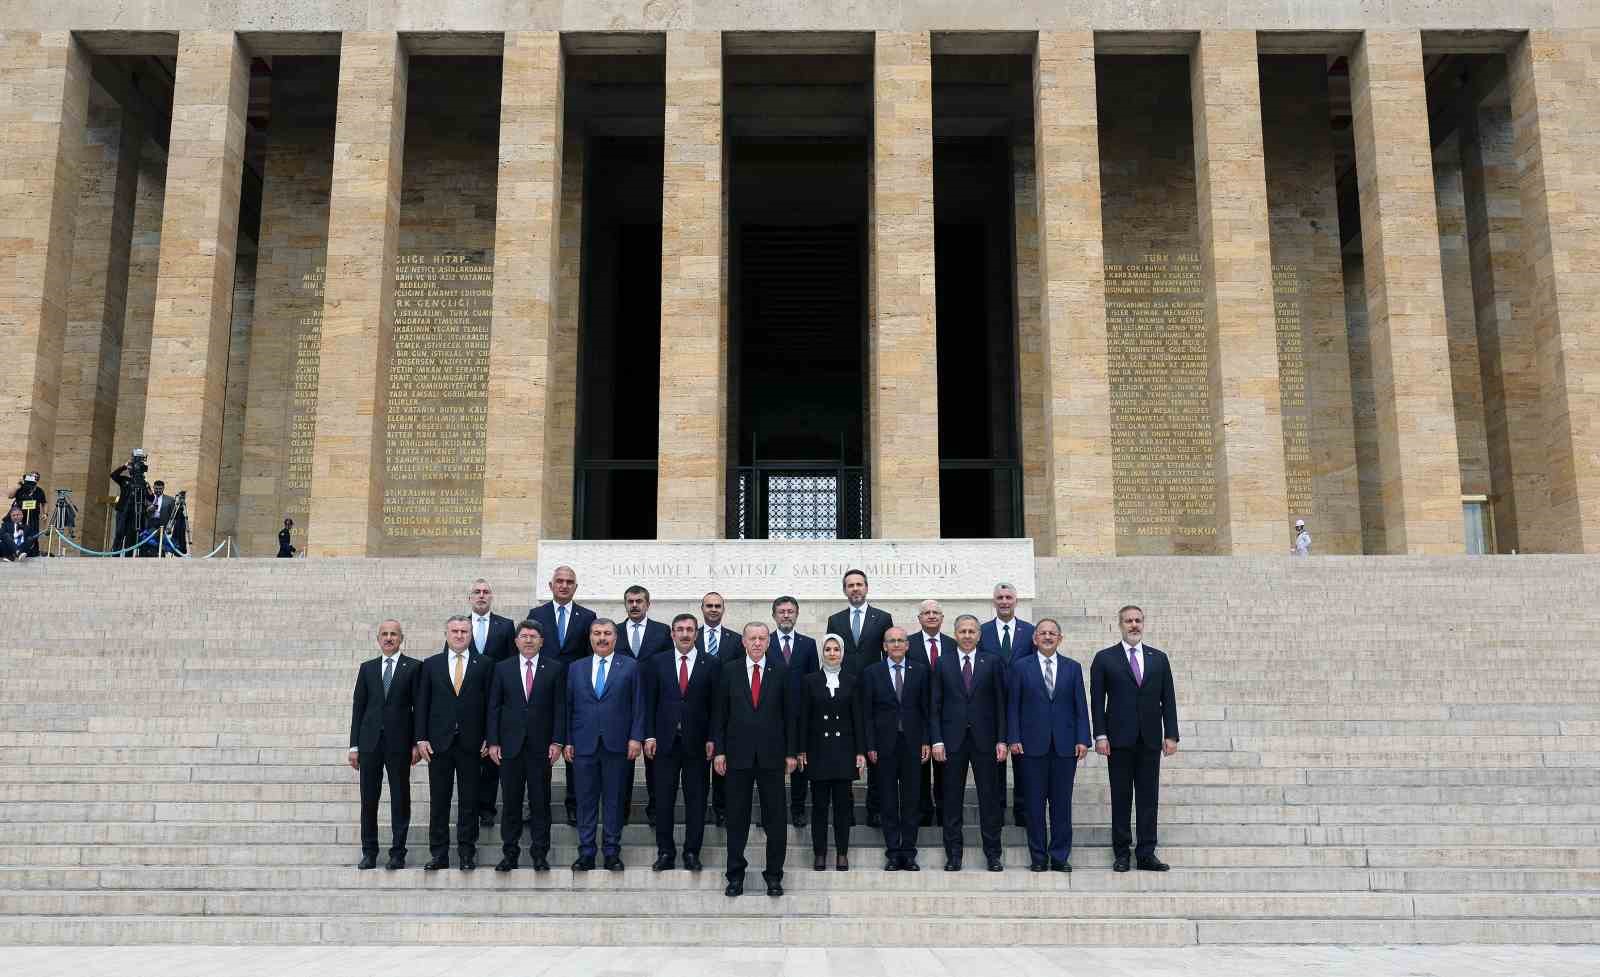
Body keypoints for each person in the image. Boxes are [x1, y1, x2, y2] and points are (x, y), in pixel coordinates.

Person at [1091, 604, 1180, 873]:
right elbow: (1097, 702)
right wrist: (1100, 735)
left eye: (1138, 620)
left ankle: (1146, 853)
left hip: (1150, 740)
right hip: (1118, 741)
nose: (1133, 625)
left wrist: (1172, 734)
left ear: (1144, 623)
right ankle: (1121, 853)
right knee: (1120, 798)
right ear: (1119, 625)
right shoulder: (1105, 658)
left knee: (1148, 798)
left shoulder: (1158, 658)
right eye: (1128, 621)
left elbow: (1169, 699)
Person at [712, 622, 797, 898]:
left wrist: (791, 753)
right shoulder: (729, 670)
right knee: (737, 819)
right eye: (753, 638)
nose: (757, 643)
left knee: (775, 819)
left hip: (772, 757)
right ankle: (735, 875)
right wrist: (720, 751)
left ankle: (774, 875)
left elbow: (790, 717)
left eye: (762, 638)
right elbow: (719, 715)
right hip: (737, 757)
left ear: (769, 642)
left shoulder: (782, 671)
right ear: (744, 642)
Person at [1009, 618, 1090, 872]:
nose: (1047, 637)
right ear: (1034, 639)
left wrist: (1083, 739)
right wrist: (1013, 737)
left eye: (1052, 633)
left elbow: (1080, 706)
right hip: (1031, 746)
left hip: (1065, 747)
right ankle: (1038, 857)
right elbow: (1013, 705)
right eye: (1042, 633)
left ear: (1060, 638)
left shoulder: (1073, 667)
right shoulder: (1021, 667)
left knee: (1061, 805)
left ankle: (1059, 856)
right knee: (1034, 805)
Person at [563, 618, 643, 872]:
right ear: (590, 637)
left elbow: (638, 705)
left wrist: (636, 737)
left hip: (617, 745)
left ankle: (611, 852)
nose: (602, 638)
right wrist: (567, 740)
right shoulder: (576, 668)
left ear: (615, 638)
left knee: (614, 801)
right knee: (585, 802)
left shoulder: (630, 666)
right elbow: (567, 707)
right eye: (597, 633)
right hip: (583, 744)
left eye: (607, 633)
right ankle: (586, 852)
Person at [930, 614, 1008, 872]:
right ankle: (953, 855)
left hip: (985, 740)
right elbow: (935, 705)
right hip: (952, 742)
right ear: (955, 633)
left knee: (989, 798)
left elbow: (1000, 703)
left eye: (971, 631)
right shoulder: (943, 663)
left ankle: (993, 854)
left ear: (979, 635)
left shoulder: (992, 662)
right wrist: (937, 740)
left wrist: (1001, 739)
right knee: (951, 800)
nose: (966, 635)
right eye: (962, 631)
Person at [414, 616, 492, 871]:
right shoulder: (431, 665)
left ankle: (467, 853)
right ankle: (439, 854)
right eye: (455, 631)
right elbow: (422, 704)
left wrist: (490, 737)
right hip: (439, 744)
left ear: (471, 634)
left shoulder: (485, 665)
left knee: (469, 801)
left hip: (472, 744)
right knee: (439, 801)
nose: (460, 635)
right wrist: (421, 738)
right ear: (446, 633)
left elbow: (492, 705)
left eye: (464, 631)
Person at [486, 621, 565, 873]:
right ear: (516, 641)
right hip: (510, 747)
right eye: (524, 636)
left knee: (540, 803)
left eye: (533, 636)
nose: (528, 640)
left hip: (541, 748)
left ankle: (540, 854)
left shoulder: (554, 668)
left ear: (542, 641)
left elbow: (560, 708)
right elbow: (494, 707)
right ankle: (509, 853)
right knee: (510, 803)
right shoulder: (502, 668)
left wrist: (557, 741)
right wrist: (494, 741)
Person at [642, 613, 717, 872]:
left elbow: (717, 707)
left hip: (698, 744)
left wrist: (713, 738)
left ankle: (692, 852)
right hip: (664, 743)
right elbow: (648, 702)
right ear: (672, 634)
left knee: (696, 801)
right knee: (663, 800)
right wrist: (649, 735)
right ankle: (665, 852)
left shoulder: (711, 663)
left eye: (689, 630)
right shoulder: (657, 662)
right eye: (680, 630)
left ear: (697, 634)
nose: (685, 634)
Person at [348, 620, 419, 870]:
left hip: (399, 744)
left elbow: (418, 709)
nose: (389, 638)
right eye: (385, 634)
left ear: (401, 638)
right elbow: (359, 707)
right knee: (369, 800)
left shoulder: (414, 667)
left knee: (401, 798)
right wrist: (353, 745)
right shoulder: (367, 668)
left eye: (394, 634)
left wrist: (416, 743)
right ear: (378, 639)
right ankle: (369, 851)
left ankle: (397, 853)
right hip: (369, 744)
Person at [860, 627, 933, 871]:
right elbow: (867, 714)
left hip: (913, 744)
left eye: (901, 640)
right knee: (888, 801)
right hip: (883, 746)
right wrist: (870, 745)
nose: (897, 644)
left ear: (908, 645)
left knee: (912, 800)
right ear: (884, 646)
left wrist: (926, 740)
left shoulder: (921, 671)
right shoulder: (872, 672)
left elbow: (927, 710)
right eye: (891, 641)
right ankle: (893, 852)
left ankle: (909, 853)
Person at [528, 564, 596, 825]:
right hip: (543, 692)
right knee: (537, 752)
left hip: (575, 692)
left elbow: (590, 656)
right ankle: (535, 804)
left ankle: (573, 803)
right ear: (551, 586)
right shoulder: (537, 614)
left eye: (569, 582)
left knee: (573, 750)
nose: (564, 585)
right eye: (560, 581)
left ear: (575, 587)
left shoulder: (588, 616)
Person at [826, 569, 893, 824]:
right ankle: (847, 809)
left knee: (874, 750)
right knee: (846, 749)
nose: (855, 589)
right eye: (850, 585)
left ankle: (875, 809)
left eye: (859, 584)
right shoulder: (836, 620)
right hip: (845, 692)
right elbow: (832, 653)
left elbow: (888, 654)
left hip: (874, 692)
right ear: (844, 590)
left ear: (867, 588)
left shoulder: (883, 618)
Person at [795, 633, 864, 872]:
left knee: (843, 807)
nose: (832, 653)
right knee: (820, 806)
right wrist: (801, 749)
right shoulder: (809, 681)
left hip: (844, 752)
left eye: (836, 649)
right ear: (822, 653)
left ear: (842, 653)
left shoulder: (852, 681)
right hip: (818, 752)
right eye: (828, 649)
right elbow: (803, 717)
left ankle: (842, 853)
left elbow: (858, 719)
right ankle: (820, 853)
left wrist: (860, 752)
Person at [979, 581, 1035, 826]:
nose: (1004, 601)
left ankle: (1022, 813)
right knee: (995, 764)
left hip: (1024, 708)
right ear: (994, 601)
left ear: (1016, 601)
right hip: (991, 709)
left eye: (1008, 597)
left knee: (1024, 765)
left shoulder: (1030, 631)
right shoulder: (982, 632)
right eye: (1000, 597)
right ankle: (998, 812)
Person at [621, 584, 672, 828]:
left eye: (639, 601)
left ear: (648, 604)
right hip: (622, 707)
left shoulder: (662, 632)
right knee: (623, 763)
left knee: (655, 763)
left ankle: (655, 807)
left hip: (654, 705)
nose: (634, 605)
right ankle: (623, 809)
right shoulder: (614, 631)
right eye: (630, 601)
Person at [468, 578, 517, 825]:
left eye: (486, 592)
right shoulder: (459, 625)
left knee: (492, 755)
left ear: (492, 597)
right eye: (477, 592)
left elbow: (512, 662)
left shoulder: (506, 626)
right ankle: (470, 806)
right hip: (466, 700)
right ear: (470, 597)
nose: (481, 596)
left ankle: (487, 807)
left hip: (496, 698)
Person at [770, 595, 818, 827]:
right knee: (770, 763)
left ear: (797, 615)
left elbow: (812, 681)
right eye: (782, 611)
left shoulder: (808, 644)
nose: (786, 615)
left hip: (799, 714)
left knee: (800, 763)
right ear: (774, 615)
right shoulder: (764, 642)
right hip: (771, 714)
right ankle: (771, 810)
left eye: (790, 611)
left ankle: (798, 809)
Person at [696, 591, 741, 826]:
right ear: (701, 608)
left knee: (723, 763)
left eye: (717, 606)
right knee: (699, 767)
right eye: (709, 605)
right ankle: (700, 809)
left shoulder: (735, 640)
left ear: (724, 609)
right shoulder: (691, 637)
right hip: (698, 711)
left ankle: (721, 808)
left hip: (726, 711)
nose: (713, 609)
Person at [908, 599, 954, 827]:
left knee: (946, 770)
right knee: (920, 770)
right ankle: (923, 815)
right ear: (919, 619)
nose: (931, 616)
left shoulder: (953, 644)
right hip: (916, 716)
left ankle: (945, 814)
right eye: (926, 613)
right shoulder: (907, 644)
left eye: (936, 612)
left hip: (946, 718)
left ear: (942, 618)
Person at [9, 472, 45, 554]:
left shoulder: (39, 491)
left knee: (33, 533)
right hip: (19, 516)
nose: (33, 479)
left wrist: (45, 513)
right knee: (18, 532)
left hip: (33, 516)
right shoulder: (21, 488)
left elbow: (44, 502)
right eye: (31, 477)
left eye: (35, 478)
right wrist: (19, 484)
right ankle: (17, 550)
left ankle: (32, 551)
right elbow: (10, 495)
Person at [140, 480, 174, 557]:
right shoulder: (147, 498)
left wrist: (170, 526)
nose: (158, 491)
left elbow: (172, 516)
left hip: (162, 526)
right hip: (149, 524)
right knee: (147, 543)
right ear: (153, 488)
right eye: (156, 488)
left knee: (160, 544)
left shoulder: (170, 500)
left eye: (160, 489)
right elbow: (141, 511)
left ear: (163, 488)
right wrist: (148, 510)